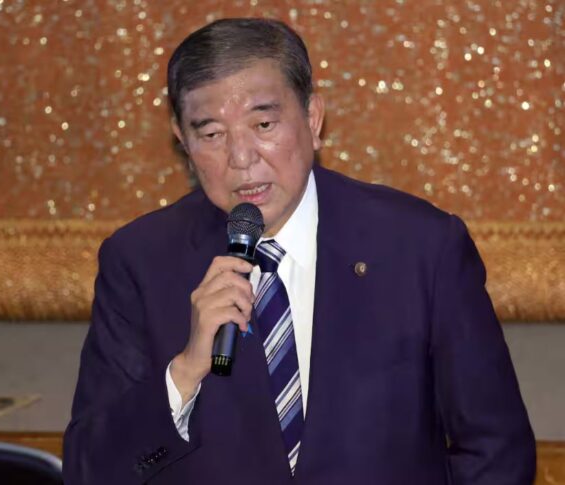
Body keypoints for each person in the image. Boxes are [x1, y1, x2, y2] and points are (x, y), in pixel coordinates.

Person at [63, 18, 535, 484]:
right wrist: (184, 373)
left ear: (312, 118)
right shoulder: (140, 262)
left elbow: (496, 450)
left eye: (263, 124)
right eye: (212, 134)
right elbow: (90, 470)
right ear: (183, 140)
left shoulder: (419, 246)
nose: (241, 158)